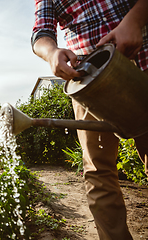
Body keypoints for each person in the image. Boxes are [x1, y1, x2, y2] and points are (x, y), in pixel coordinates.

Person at [31, 0, 148, 239]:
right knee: (98, 171)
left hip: (142, 58)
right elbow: (41, 33)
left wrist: (135, 20)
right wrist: (51, 52)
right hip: (89, 79)